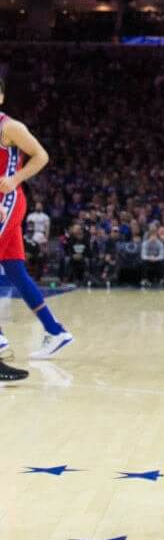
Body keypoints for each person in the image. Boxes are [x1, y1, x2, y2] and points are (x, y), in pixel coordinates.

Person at [0, 77, 73, 360]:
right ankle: (55, 331)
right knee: (17, 272)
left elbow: (41, 155)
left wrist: (15, 177)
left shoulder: (10, 127)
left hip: (7, 200)